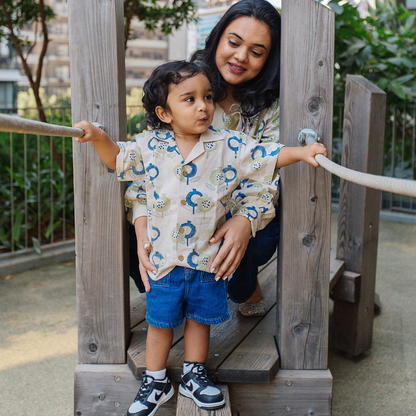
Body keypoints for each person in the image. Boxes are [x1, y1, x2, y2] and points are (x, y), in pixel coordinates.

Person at [74, 61, 327, 416]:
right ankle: (156, 379)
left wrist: (301, 152)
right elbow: (118, 159)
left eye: (207, 97)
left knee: (199, 320)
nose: (203, 106)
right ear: (164, 112)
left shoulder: (227, 145)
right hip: (164, 261)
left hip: (207, 257)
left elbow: (265, 155)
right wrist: (99, 137)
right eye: (189, 99)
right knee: (159, 323)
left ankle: (195, 372)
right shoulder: (150, 147)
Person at [129, 0, 283, 316]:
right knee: (129, 234)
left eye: (256, 51)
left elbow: (268, 176)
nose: (241, 56)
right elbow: (146, 173)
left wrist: (245, 220)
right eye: (234, 42)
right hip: (175, 212)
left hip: (233, 212)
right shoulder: (178, 85)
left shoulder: (272, 108)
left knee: (247, 261)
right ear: (217, 38)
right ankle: (175, 298)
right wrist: (142, 221)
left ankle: (245, 288)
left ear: (268, 59)